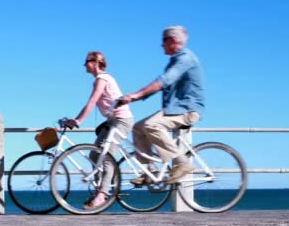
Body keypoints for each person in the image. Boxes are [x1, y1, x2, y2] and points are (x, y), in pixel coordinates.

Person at [118, 25, 205, 185]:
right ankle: (149, 171)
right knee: (138, 127)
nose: (161, 45)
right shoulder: (175, 60)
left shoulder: (185, 59)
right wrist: (133, 98)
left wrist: (136, 95)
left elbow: (163, 82)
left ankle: (182, 162)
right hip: (174, 110)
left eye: (163, 41)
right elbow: (159, 86)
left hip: (188, 110)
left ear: (171, 40)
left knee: (152, 125)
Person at [64, 51, 134, 209]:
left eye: (87, 61)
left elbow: (92, 101)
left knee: (106, 156)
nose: (84, 65)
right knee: (95, 153)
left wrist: (78, 120)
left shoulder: (102, 79)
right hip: (111, 121)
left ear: (96, 62)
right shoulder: (99, 80)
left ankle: (102, 195)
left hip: (121, 121)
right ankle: (103, 186)